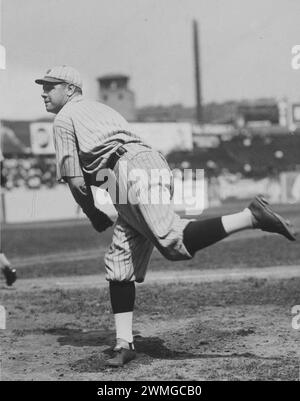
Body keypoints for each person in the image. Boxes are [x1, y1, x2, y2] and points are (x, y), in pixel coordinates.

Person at [35, 66, 296, 368]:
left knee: (171, 240)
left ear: (69, 90)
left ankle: (251, 217)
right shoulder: (99, 109)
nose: (43, 91)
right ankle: (124, 342)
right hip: (137, 166)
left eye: (49, 86)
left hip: (127, 170)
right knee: (120, 263)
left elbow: (77, 180)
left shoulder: (65, 117)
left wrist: (94, 213)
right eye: (42, 86)